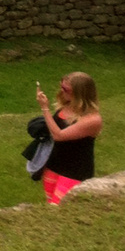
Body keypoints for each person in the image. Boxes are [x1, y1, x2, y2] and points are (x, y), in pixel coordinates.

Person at [33, 71, 102, 205]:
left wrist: (45, 109)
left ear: (79, 92)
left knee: (59, 208)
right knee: (50, 205)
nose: (61, 90)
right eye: (61, 86)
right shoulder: (66, 106)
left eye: (66, 89)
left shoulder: (92, 119)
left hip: (75, 172)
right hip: (53, 166)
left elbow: (59, 135)